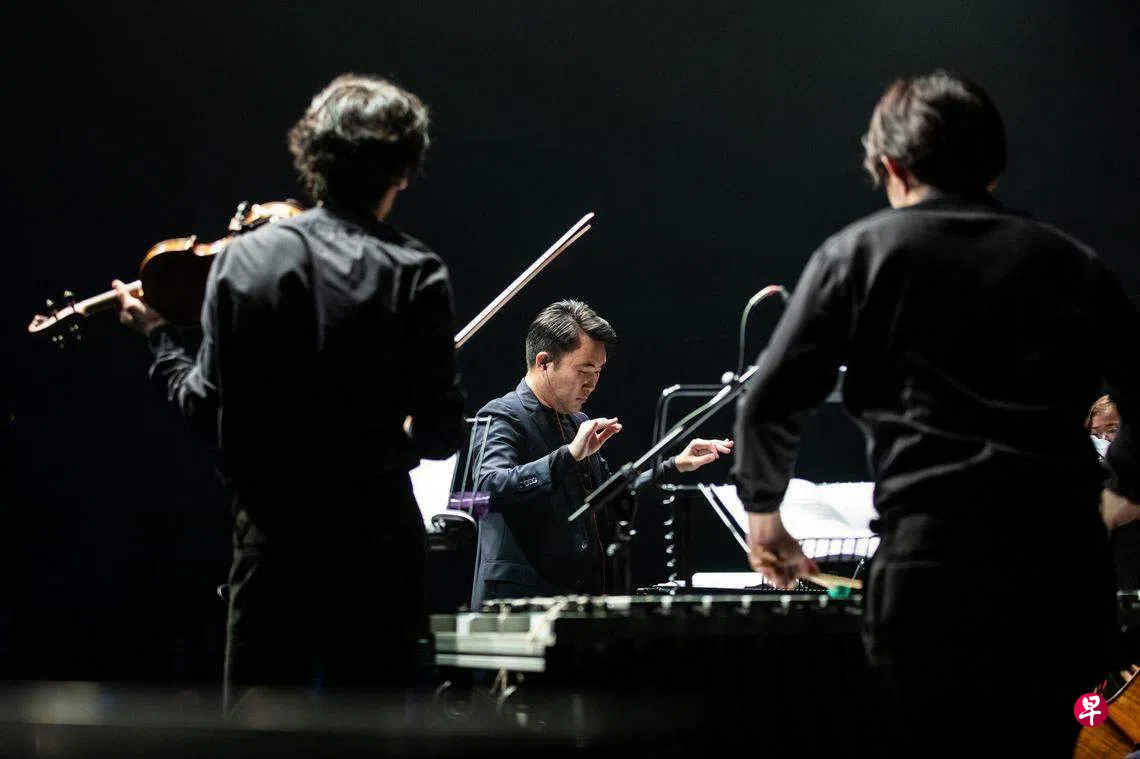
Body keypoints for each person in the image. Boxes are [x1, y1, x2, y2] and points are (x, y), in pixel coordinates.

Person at [731, 70, 1140, 756]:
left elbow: (769, 400)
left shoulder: (857, 255)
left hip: (931, 573)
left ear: (891, 167)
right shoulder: (1072, 261)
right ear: (994, 168)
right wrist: (1123, 488)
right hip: (1064, 579)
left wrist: (765, 516)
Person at [113, 73, 465, 713]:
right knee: (375, 734)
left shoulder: (243, 261)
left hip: (275, 546)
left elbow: (203, 410)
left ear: (313, 158)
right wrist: (392, 438)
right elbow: (441, 433)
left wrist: (160, 338)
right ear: (404, 172)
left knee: (259, 738)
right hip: (378, 548)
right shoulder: (417, 273)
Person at [470, 300, 732, 606]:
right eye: (584, 370)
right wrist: (568, 455)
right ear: (543, 362)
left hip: (576, 602)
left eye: (598, 371)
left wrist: (674, 466)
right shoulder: (503, 414)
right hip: (515, 606)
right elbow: (485, 489)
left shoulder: (575, 422)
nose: (592, 383)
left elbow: (612, 495)